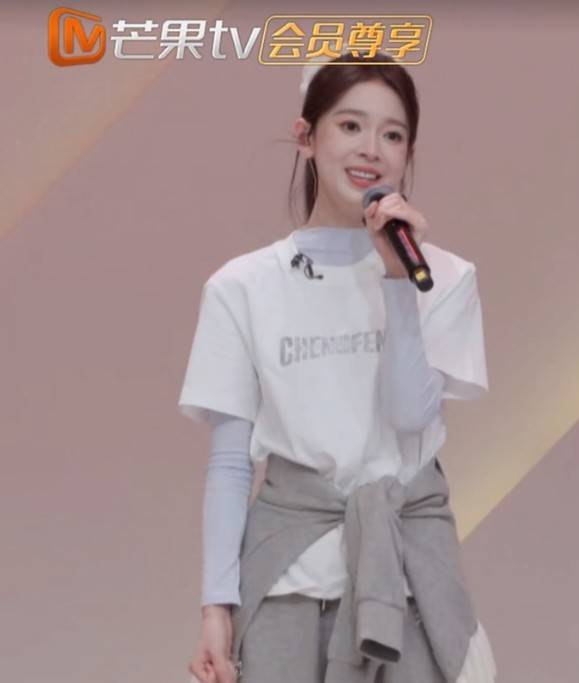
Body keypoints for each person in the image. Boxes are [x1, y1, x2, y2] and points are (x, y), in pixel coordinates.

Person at [180, 52, 497, 683]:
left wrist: (398, 282)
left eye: (393, 134)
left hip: (409, 584)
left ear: (409, 152)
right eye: (350, 126)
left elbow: (409, 414)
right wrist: (216, 609)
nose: (371, 149)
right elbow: (231, 462)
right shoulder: (243, 287)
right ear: (306, 136)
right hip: (287, 587)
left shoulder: (443, 277)